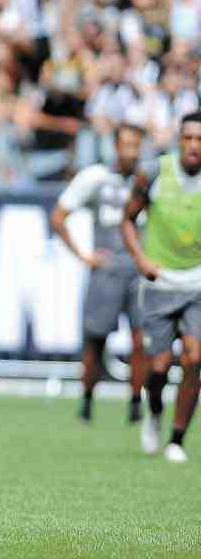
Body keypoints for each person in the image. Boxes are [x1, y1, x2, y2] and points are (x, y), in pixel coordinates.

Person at [50, 124, 148, 424]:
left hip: (140, 268)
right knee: (96, 337)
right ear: (115, 146)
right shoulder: (95, 177)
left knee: (142, 338)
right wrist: (84, 256)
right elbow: (59, 216)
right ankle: (87, 400)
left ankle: (135, 403)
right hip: (107, 268)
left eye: (136, 145)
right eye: (126, 145)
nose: (131, 152)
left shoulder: (149, 179)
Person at [122, 112, 201, 463]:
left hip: (197, 282)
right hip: (159, 281)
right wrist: (140, 259)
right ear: (178, 140)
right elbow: (127, 218)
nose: (194, 146)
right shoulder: (153, 173)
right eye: (189, 138)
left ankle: (177, 440)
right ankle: (154, 413)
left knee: (195, 358)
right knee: (158, 367)